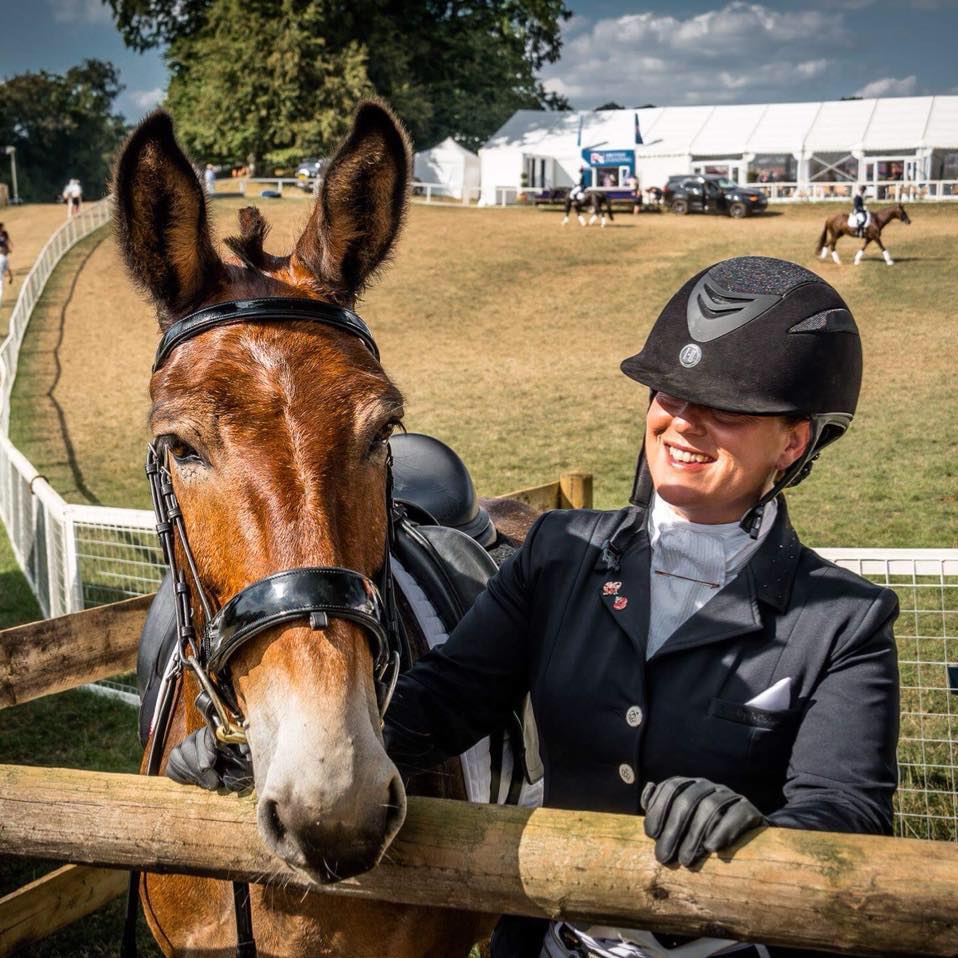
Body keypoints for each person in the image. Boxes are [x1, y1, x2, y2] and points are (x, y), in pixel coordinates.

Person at [167, 257, 900, 958]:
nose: (683, 423)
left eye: (727, 408)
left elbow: (846, 814)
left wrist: (763, 831)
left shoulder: (844, 620)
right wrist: (281, 749)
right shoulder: (558, 553)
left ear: (793, 442)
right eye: (669, 396)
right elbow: (449, 699)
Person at [0, 222, 13, 304]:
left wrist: (9, 245)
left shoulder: (5, 233)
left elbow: (7, 240)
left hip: (4, 250)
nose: (3, 228)